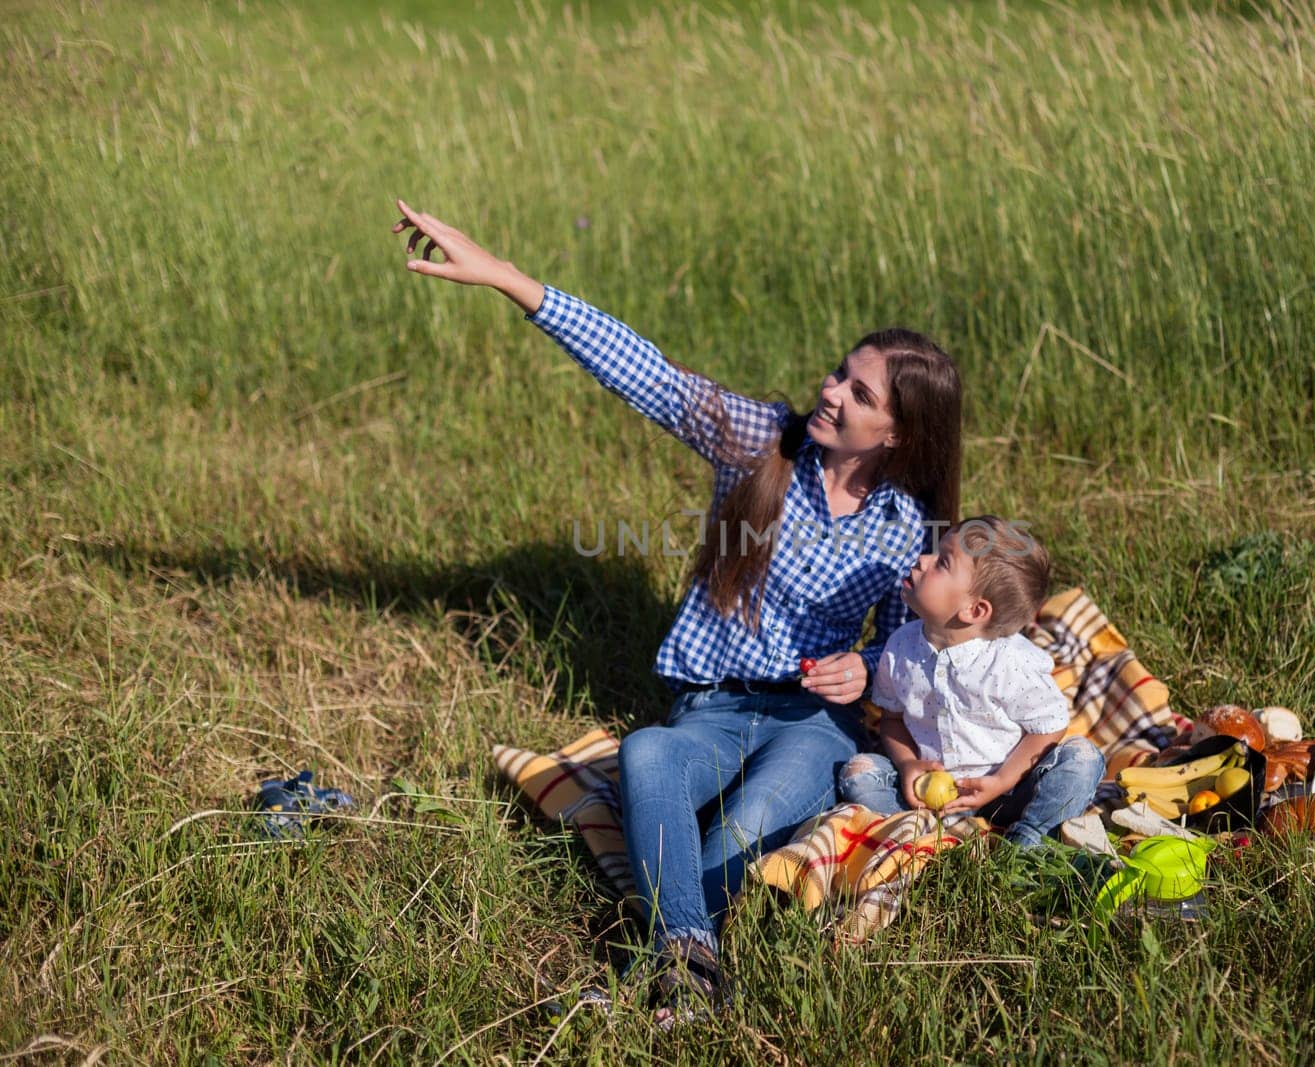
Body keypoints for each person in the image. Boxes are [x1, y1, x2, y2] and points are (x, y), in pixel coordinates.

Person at [390, 200, 962, 1016]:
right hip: (711, 709)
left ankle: (661, 968)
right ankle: (687, 962)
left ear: (899, 433)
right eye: (839, 371)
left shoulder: (910, 525)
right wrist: (510, 280)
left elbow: (918, 640)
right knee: (648, 753)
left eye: (858, 391)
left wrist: (864, 666)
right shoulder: (759, 440)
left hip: (812, 726)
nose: (829, 390)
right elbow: (650, 376)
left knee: (737, 831)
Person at [838, 516, 1105, 846]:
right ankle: (921, 833)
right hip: (932, 797)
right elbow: (892, 721)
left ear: (975, 610)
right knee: (859, 772)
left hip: (1009, 791)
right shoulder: (900, 648)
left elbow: (1047, 729)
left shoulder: (1011, 663)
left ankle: (1029, 840)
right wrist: (908, 764)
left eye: (942, 562)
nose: (923, 559)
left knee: (1082, 758)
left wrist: (1003, 780)